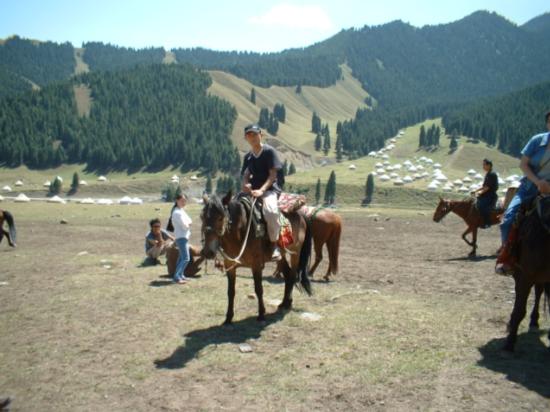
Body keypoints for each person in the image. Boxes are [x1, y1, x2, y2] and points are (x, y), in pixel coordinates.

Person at [496, 110, 550, 274]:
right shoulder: (537, 141)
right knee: (508, 219)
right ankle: (507, 258)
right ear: (547, 124)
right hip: (529, 187)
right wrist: (538, 182)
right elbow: (523, 164)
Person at [241, 124, 284, 261]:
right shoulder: (248, 157)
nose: (252, 137)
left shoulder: (269, 152)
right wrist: (245, 184)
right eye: (249, 135)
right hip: (253, 190)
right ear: (246, 138)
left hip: (269, 189)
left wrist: (262, 190)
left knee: (271, 212)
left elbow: (272, 175)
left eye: (255, 134)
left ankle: (274, 245)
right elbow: (246, 174)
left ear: (261, 135)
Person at [171, 193, 192, 284]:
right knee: (186, 258)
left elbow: (190, 220)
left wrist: (188, 224)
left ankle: (180, 275)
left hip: (184, 236)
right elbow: (185, 226)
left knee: (181, 258)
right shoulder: (177, 213)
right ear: (177, 201)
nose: (184, 202)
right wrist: (188, 224)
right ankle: (176, 277)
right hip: (181, 237)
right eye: (182, 201)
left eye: (185, 201)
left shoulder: (181, 211)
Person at [472, 159, 498, 228]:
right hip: (486, 195)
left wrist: (479, 193)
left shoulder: (492, 174)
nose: (483, 166)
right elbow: (484, 186)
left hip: (490, 196)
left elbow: (487, 187)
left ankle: (487, 223)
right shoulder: (488, 174)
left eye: (484, 165)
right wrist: (475, 191)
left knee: (481, 206)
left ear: (489, 165)